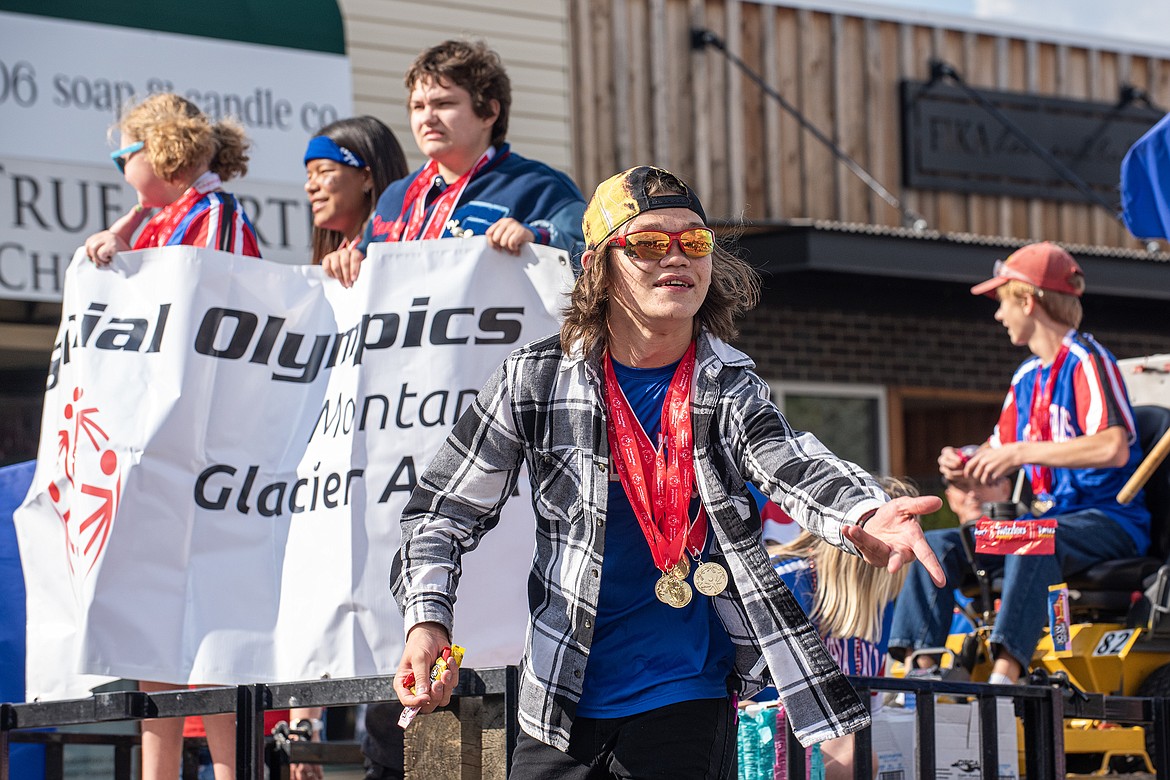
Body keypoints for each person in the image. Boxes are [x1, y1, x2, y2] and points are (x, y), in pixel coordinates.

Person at [389, 165, 945, 778]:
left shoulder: (727, 381)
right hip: (556, 700)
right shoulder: (536, 378)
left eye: (694, 241)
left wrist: (861, 511)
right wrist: (426, 621)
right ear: (598, 267)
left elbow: (786, 458)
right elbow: (440, 513)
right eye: (651, 243)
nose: (677, 257)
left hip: (685, 700)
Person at [889, 242, 1150, 686]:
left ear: (1029, 300)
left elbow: (1113, 448)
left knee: (1029, 534)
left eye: (1003, 303)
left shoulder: (1088, 360)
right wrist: (963, 462)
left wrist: (1019, 453)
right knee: (934, 546)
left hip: (1109, 520)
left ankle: (1005, 678)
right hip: (1048, 527)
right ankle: (922, 679)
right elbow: (1000, 448)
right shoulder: (1026, 377)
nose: (998, 315)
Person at [321, 39, 586, 287]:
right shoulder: (396, 197)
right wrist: (349, 259)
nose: (427, 118)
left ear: (489, 112)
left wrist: (538, 239)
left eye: (443, 103)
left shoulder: (541, 187)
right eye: (418, 106)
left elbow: (592, 260)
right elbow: (368, 271)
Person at [765, 476, 914, 780]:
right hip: (757, 736)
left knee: (861, 750)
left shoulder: (879, 605)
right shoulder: (786, 578)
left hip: (815, 746)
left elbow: (868, 713)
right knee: (855, 753)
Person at [83, 93, 259, 265]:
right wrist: (119, 260)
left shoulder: (215, 213)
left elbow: (207, 292)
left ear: (156, 146)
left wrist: (129, 268)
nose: (125, 174)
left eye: (122, 159)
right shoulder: (181, 217)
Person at [304, 116, 409, 264]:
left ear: (366, 177)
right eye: (309, 176)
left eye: (324, 171)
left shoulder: (401, 254)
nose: (310, 186)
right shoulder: (328, 266)